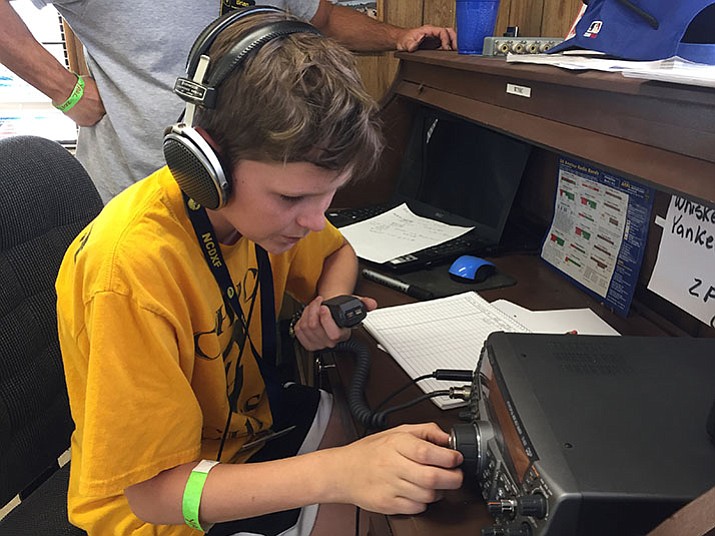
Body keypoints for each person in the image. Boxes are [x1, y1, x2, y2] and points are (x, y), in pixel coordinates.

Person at [55, 8, 463, 536]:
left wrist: (326, 304)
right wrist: (336, 474)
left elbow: (340, 254)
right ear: (209, 167)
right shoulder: (131, 272)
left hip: (242, 435)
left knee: (386, 470)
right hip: (158, 509)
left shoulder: (264, 218)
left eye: (329, 193)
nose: (315, 219)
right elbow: (153, 494)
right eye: (293, 196)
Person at [0, 0, 456, 203]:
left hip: (250, 202)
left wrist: (398, 37)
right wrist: (65, 90)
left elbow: (323, 17)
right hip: (136, 196)